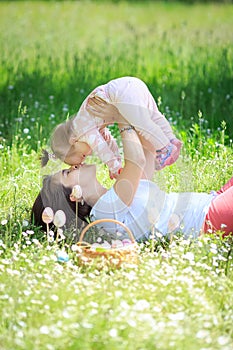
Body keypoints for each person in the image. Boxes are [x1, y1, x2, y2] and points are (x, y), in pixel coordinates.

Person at [32, 106, 233, 241]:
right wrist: (122, 117)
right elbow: (135, 160)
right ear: (75, 197)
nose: (73, 166)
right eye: (67, 173)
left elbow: (146, 154)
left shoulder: (117, 195)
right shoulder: (105, 212)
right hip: (209, 218)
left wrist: (136, 115)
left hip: (211, 200)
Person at [41, 76, 182, 178]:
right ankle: (171, 140)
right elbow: (109, 141)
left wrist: (114, 167)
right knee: (153, 115)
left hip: (121, 93)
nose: (89, 154)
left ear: (73, 140)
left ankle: (165, 148)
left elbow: (101, 147)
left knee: (143, 124)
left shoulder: (81, 129)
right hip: (130, 85)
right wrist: (117, 162)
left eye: (82, 155)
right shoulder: (88, 124)